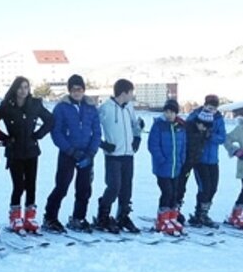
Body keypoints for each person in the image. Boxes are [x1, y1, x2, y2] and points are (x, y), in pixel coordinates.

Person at [0, 75, 54, 234]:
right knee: (18, 185)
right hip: (15, 151)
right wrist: (4, 138)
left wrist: (38, 134)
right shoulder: (7, 106)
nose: (23, 90)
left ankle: (30, 216)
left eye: (26, 87)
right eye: (20, 87)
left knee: (31, 184)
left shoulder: (35, 104)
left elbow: (50, 120)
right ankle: (15, 217)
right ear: (15, 88)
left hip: (31, 150)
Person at [44, 74, 100, 233]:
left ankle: (78, 217)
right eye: (74, 89)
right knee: (61, 187)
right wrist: (70, 150)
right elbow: (57, 132)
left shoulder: (90, 107)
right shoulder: (61, 108)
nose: (77, 92)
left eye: (80, 89)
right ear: (69, 90)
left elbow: (96, 131)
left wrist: (91, 153)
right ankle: (50, 217)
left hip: (86, 154)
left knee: (84, 188)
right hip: (68, 153)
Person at [95, 78, 142, 234]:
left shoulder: (129, 107)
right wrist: (102, 144)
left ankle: (123, 216)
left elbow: (135, 124)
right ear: (124, 93)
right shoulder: (105, 108)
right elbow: (92, 127)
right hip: (113, 155)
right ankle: (103, 216)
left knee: (126, 188)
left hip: (128, 154)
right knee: (114, 186)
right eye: (131, 92)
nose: (132, 96)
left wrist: (137, 138)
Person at [182, 94, 227, 228]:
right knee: (204, 187)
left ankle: (204, 212)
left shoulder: (218, 119)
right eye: (209, 107)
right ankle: (199, 213)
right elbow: (188, 129)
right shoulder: (196, 115)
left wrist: (210, 135)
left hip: (213, 159)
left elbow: (222, 138)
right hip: (199, 159)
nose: (211, 110)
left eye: (214, 108)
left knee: (213, 187)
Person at [148, 99, 187, 235]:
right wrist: (161, 159)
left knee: (175, 193)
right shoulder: (159, 126)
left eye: (172, 112)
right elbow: (153, 145)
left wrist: (182, 159)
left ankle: (172, 217)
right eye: (167, 112)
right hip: (163, 168)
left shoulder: (180, 127)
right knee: (167, 192)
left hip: (176, 167)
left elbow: (183, 145)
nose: (169, 115)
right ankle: (162, 219)